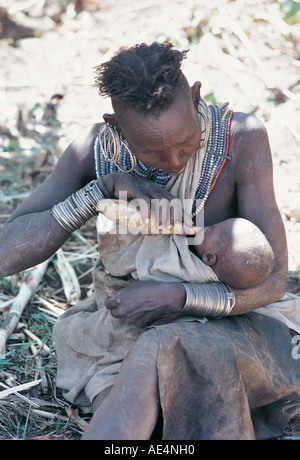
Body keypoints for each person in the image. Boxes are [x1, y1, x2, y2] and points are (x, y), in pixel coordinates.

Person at [0, 42, 299, 440]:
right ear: (116, 126)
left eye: (185, 143)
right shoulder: (96, 151)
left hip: (231, 319)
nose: (174, 162)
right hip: (123, 327)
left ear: (195, 97)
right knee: (135, 406)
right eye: (152, 152)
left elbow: (274, 280)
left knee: (164, 348)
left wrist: (179, 297)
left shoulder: (241, 139)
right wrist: (99, 191)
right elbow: (6, 252)